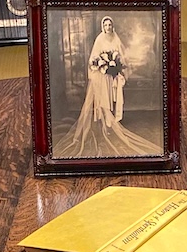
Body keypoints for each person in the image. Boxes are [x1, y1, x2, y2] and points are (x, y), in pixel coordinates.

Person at [55, 16, 162, 158]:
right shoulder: (99, 39)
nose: (108, 27)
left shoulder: (116, 39)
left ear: (113, 26)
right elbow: (93, 59)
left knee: (112, 98)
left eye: (110, 25)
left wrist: (117, 68)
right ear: (102, 27)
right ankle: (104, 123)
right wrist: (101, 66)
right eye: (105, 25)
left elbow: (122, 57)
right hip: (101, 76)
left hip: (111, 76)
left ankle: (110, 123)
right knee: (103, 99)